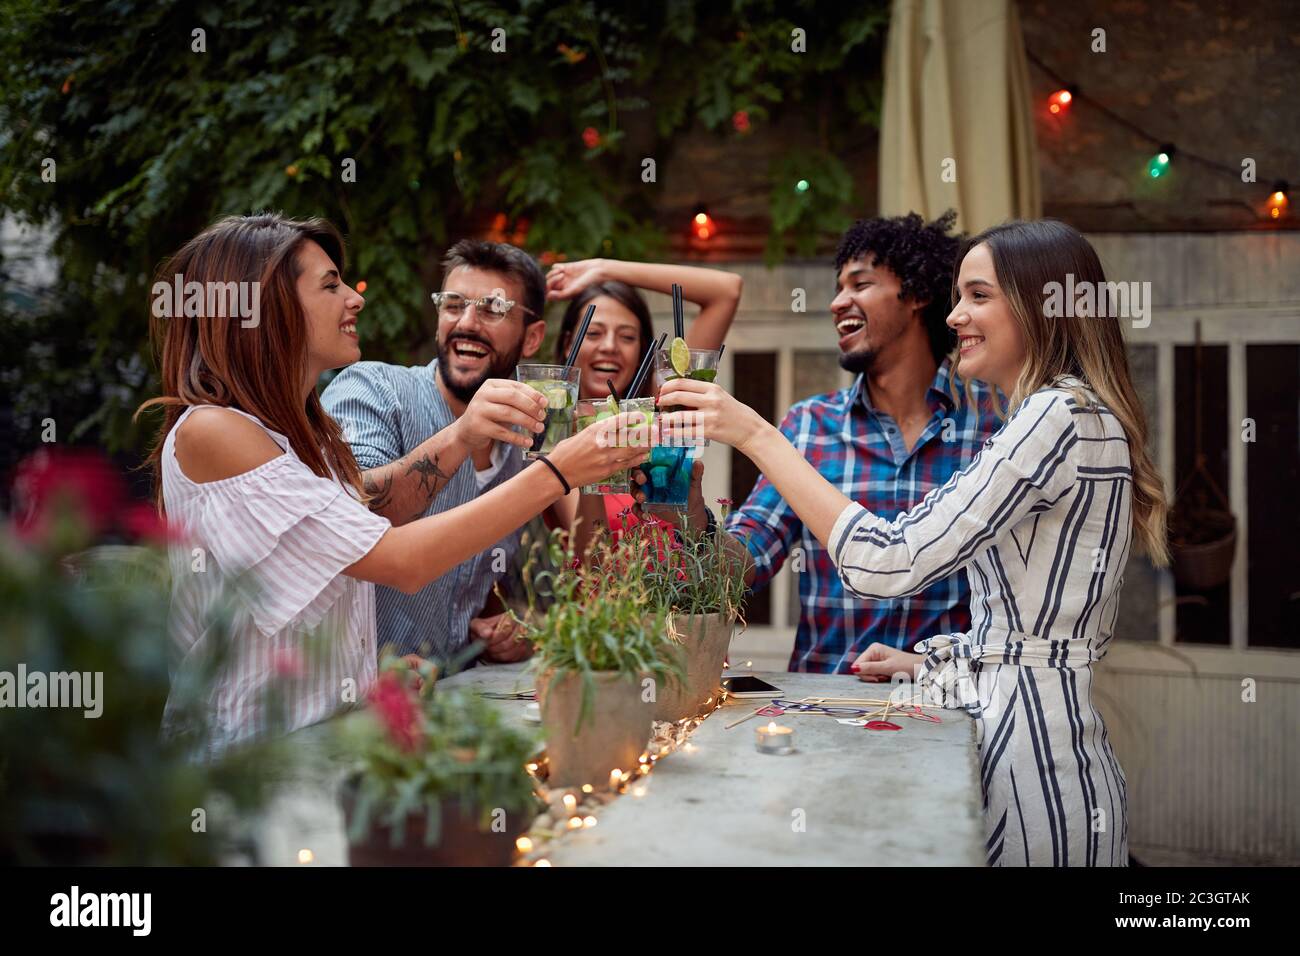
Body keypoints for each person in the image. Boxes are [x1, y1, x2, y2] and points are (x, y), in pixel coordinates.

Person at [657, 219, 1169, 866]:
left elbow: (888, 559)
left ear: (1041, 302)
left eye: (978, 296)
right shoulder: (1075, 414)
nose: (959, 317)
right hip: (1009, 736)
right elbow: (1032, 628)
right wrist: (931, 664)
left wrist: (755, 434)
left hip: (1024, 754)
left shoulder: (1040, 417)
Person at [138, 214, 647, 754]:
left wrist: (365, 684)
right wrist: (561, 470)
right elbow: (396, 559)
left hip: (322, 746)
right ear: (268, 310)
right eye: (331, 286)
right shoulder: (216, 431)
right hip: (242, 767)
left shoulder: (307, 438)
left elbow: (340, 551)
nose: (355, 299)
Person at [644, 212, 1001, 673]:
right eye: (839, 288)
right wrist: (689, 509)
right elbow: (738, 572)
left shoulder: (993, 424)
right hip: (825, 707)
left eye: (860, 284)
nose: (838, 302)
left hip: (947, 706)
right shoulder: (809, 425)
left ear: (917, 294)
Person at [321, 240, 561, 665]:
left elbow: (486, 593)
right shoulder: (373, 389)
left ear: (532, 339)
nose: (467, 323)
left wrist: (509, 627)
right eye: (453, 304)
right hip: (346, 713)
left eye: (492, 308)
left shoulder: (522, 447)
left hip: (451, 705)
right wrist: (462, 435)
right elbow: (353, 516)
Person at [542, 258, 741, 549]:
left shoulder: (664, 409)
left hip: (680, 591)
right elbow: (591, 557)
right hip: (611, 594)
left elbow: (726, 291)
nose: (609, 346)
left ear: (643, 350)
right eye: (594, 333)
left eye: (627, 336)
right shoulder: (555, 434)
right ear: (569, 343)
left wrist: (605, 269)